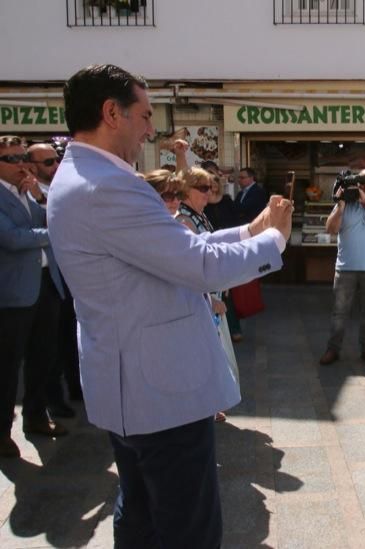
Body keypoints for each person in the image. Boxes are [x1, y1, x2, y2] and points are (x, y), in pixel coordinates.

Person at [46, 64, 292, 548]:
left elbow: (174, 247)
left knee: (140, 514)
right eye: (143, 116)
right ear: (110, 113)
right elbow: (199, 266)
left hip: (135, 386)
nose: (150, 130)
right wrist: (275, 242)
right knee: (187, 528)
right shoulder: (107, 187)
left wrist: (250, 230)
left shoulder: (88, 177)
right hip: (159, 391)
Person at [0, 135, 68, 459]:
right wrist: (56, 234)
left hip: (45, 283)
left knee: (44, 355)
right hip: (13, 294)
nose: (20, 165)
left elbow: (44, 220)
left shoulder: (27, 192)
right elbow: (12, 239)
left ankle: (37, 415)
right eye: (11, 159)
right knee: (9, 365)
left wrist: (40, 196)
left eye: (21, 157)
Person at [27, 142, 81, 415]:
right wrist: (39, 202)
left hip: (64, 275)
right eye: (47, 162)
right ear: (31, 165)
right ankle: (48, 401)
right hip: (34, 279)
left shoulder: (59, 188)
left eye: (56, 159)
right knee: (44, 347)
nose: (55, 165)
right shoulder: (28, 194)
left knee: (68, 336)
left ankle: (73, 388)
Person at [319, 168, 365, 367]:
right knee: (340, 312)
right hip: (345, 268)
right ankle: (333, 349)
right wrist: (340, 206)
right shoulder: (347, 204)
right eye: (364, 181)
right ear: (357, 183)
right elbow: (331, 229)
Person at [204, 174, 244, 343]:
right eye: (207, 185)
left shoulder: (227, 200)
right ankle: (221, 329)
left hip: (228, 248)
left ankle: (234, 328)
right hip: (211, 249)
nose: (212, 188)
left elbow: (236, 222)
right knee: (220, 292)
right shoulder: (203, 204)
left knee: (228, 291)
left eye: (214, 184)